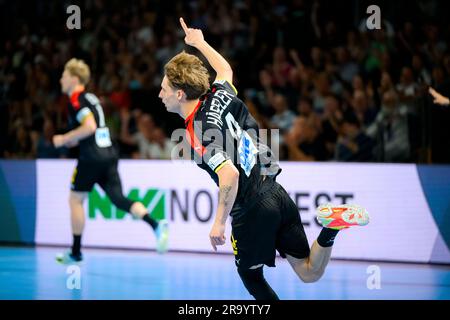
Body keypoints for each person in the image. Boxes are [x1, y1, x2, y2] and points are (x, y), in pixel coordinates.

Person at [158, 18, 369, 300]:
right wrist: (199, 43)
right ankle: (330, 229)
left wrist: (219, 222)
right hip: (275, 192)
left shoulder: (196, 131)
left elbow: (229, 175)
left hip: (250, 208)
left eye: (164, 89)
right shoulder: (219, 93)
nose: (160, 94)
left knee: (251, 276)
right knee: (309, 272)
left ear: (180, 93)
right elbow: (224, 69)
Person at [53, 58, 169, 264]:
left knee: (75, 199)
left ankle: (76, 251)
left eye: (63, 75)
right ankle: (155, 224)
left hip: (91, 158)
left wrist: (64, 138)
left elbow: (89, 127)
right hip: (109, 154)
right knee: (118, 199)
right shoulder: (92, 97)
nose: (61, 79)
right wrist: (76, 138)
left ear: (73, 78)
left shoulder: (75, 98)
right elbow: (93, 127)